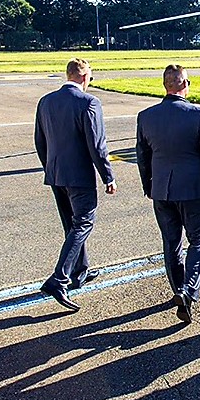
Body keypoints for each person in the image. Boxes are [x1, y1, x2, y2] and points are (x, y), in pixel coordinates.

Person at [136, 65, 200, 323]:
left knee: (171, 242)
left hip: (162, 189)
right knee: (199, 239)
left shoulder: (146, 116)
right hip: (193, 189)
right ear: (184, 84)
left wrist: (148, 185)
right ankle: (188, 289)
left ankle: (178, 289)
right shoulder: (197, 114)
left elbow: (143, 156)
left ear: (166, 86)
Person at [34, 58, 117, 312]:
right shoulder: (89, 103)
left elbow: (40, 140)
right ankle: (59, 278)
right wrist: (108, 176)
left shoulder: (46, 101)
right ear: (84, 77)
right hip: (79, 175)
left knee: (70, 225)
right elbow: (96, 144)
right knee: (83, 224)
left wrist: (50, 166)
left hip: (56, 173)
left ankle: (80, 271)